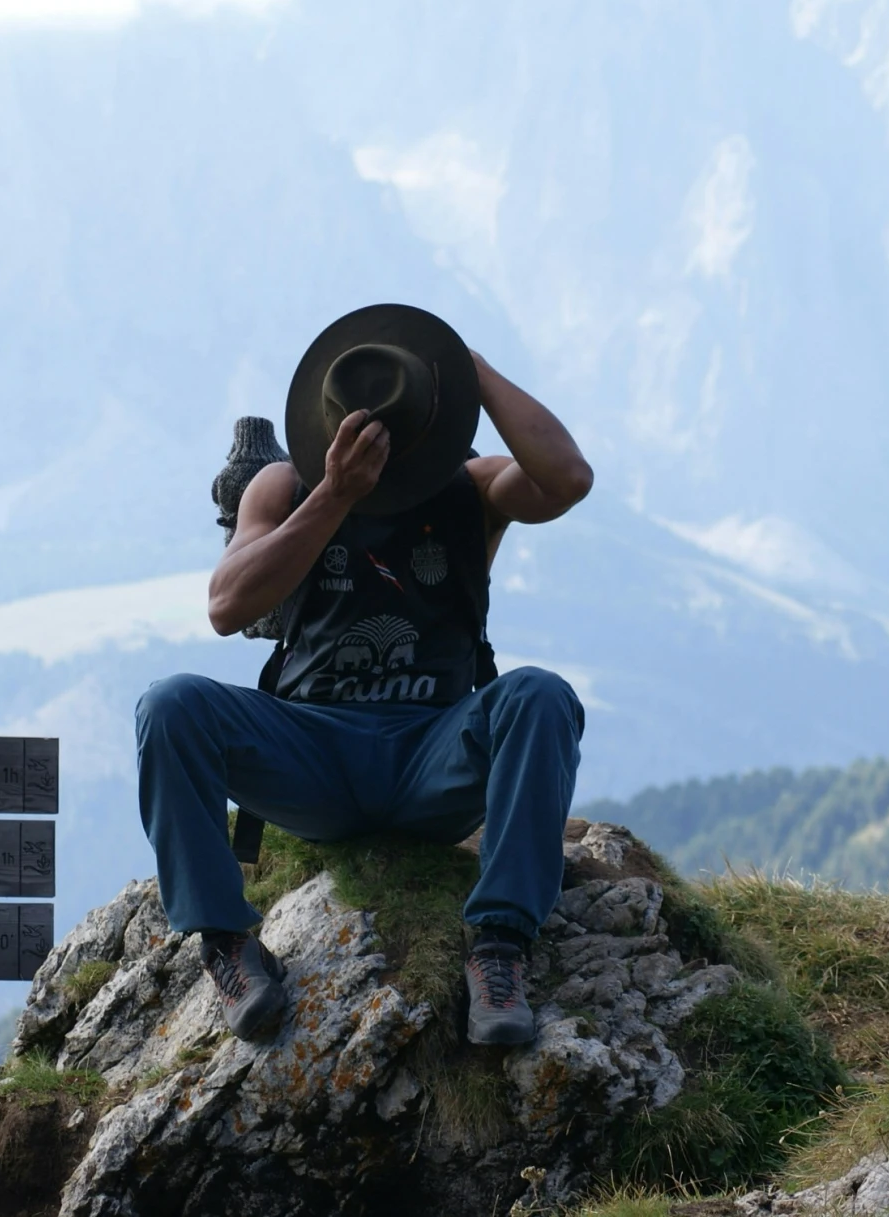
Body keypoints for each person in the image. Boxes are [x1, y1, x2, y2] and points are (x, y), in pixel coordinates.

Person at [135, 304, 594, 1047]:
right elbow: (226, 605)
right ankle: (227, 943)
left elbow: (568, 478)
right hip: (311, 752)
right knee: (169, 704)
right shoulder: (283, 485)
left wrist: (467, 367)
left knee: (540, 694)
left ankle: (499, 947)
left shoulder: (470, 487)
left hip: (433, 753)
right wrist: (336, 493)